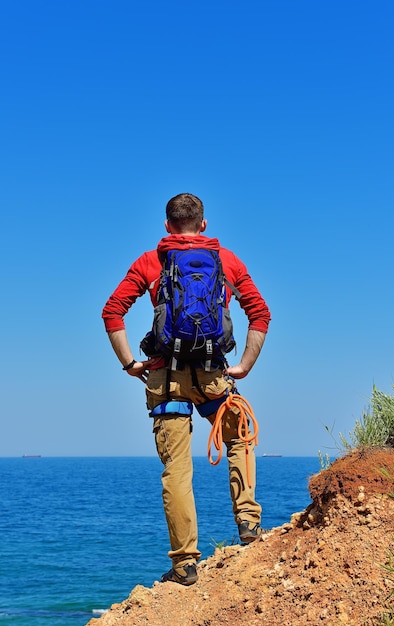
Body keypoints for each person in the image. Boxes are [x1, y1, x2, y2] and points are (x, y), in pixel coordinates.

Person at [102, 193, 271, 586]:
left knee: (177, 470)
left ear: (167, 226)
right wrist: (244, 364)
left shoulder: (151, 262)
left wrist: (130, 364)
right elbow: (260, 313)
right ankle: (247, 521)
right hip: (214, 376)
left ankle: (185, 565)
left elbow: (112, 311)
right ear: (204, 224)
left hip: (166, 380)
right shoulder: (226, 261)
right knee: (239, 437)